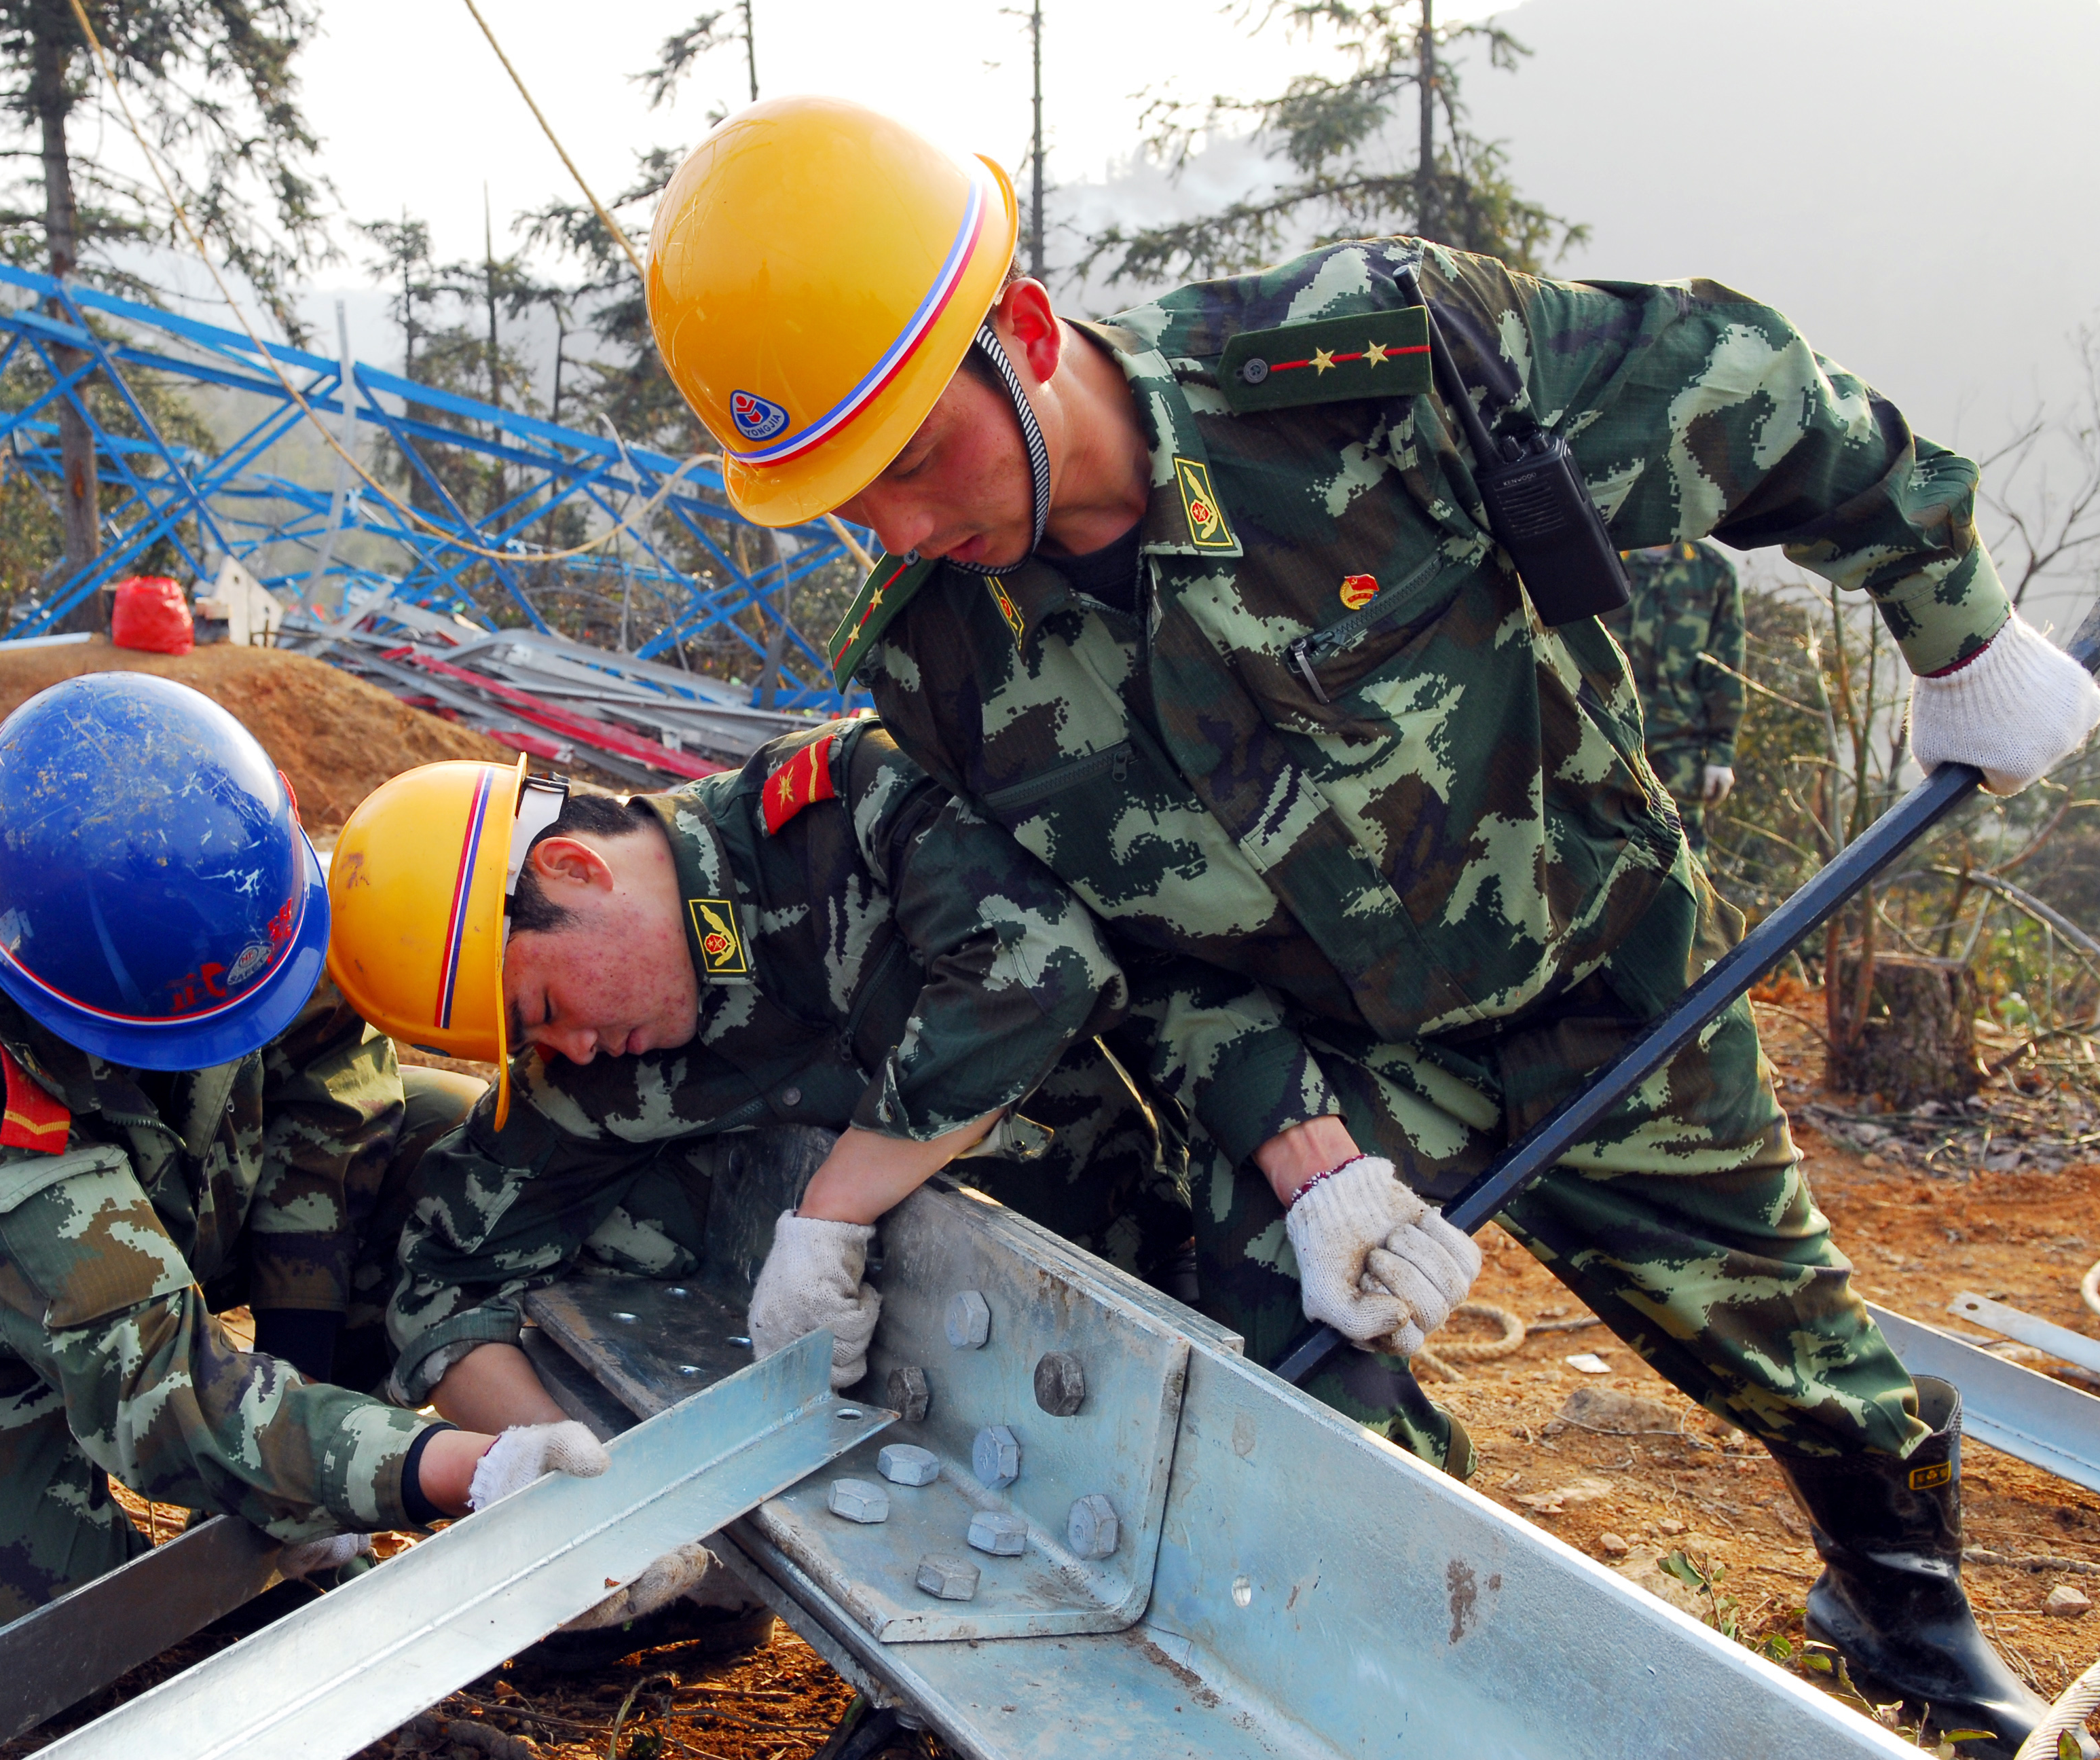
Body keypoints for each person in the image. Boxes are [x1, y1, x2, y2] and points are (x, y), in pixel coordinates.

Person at [642, 96, 2100, 1750]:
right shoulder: (938, 656)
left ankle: (1901, 1603)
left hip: (1600, 975)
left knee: (1798, 1360)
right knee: (1293, 1398)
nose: (899, 528)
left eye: (910, 456)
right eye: (843, 498)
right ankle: (1401, 1683)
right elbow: (1144, 966)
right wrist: (1303, 1155)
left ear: (1026, 330)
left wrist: (1955, 624)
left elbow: (1754, 400)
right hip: (1335, 1058)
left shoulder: (1367, 370)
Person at [0, 672, 675, 1666]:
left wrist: (302, 1376)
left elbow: (334, 1085)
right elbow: (148, 1379)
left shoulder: (240, 885)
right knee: (66, 1665)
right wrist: (451, 1471)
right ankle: (274, 1474)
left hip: (185, 1196)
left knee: (449, 1141)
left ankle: (291, 1476)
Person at [328, 721, 1175, 1435]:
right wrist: (564, 1475)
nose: (571, 1048)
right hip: (922, 1412)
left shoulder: (839, 804)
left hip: (1169, 1252)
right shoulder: (589, 1072)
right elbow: (443, 1281)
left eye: (544, 1003)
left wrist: (830, 1214)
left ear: (573, 870)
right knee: (605, 1232)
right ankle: (692, 1594)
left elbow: (1040, 964)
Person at [1606, 541, 1745, 860]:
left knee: (1684, 861)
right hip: (1608, 739)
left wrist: (1721, 754)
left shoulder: (1712, 571)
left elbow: (1726, 669)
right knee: (1603, 863)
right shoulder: (1601, 557)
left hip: (1680, 747)